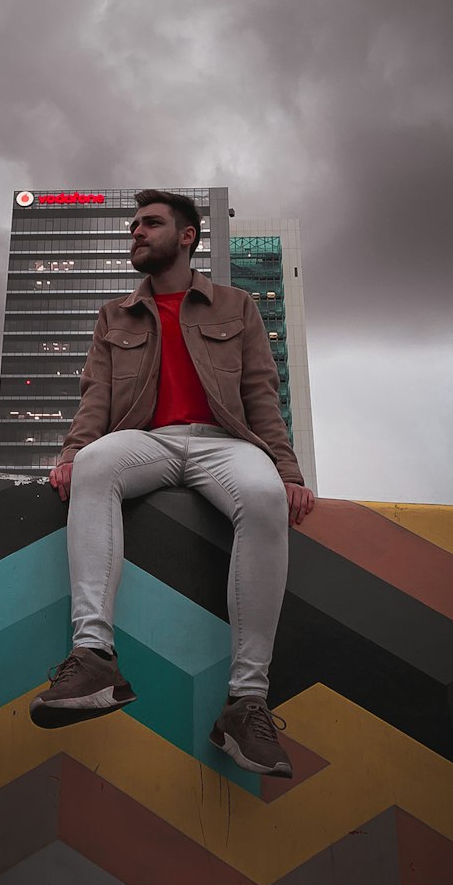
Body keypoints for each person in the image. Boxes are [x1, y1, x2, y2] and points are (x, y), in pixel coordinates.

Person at [29, 189, 315, 777]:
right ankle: (94, 659)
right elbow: (97, 398)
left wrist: (286, 472)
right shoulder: (115, 315)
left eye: (150, 223)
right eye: (133, 224)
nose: (136, 231)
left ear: (187, 236)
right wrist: (73, 452)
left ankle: (246, 702)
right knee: (95, 467)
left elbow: (262, 395)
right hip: (148, 441)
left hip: (224, 444)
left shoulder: (236, 305)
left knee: (262, 498)